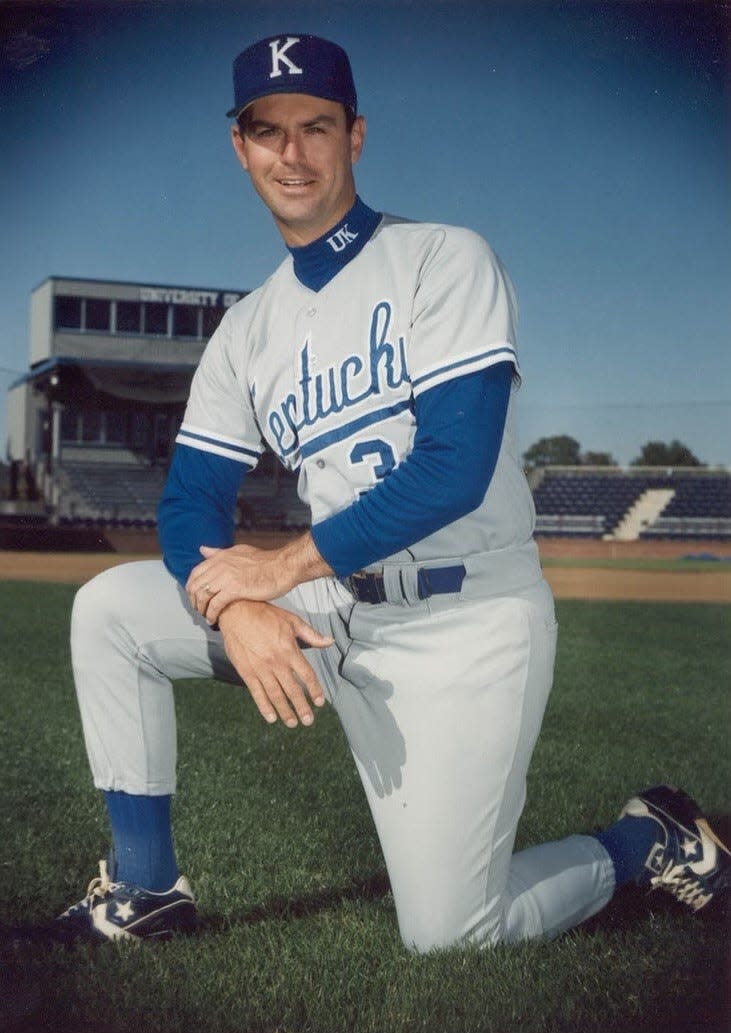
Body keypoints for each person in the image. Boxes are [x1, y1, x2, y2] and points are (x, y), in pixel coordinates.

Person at [56, 34, 729, 947]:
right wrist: (232, 611)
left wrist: (274, 569)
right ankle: (145, 890)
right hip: (331, 611)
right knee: (111, 610)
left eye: (315, 127)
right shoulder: (245, 331)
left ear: (354, 136)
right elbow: (188, 506)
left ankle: (641, 841)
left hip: (464, 624)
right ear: (240, 147)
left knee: (452, 932)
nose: (291, 153)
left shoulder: (441, 259)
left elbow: (451, 468)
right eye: (267, 131)